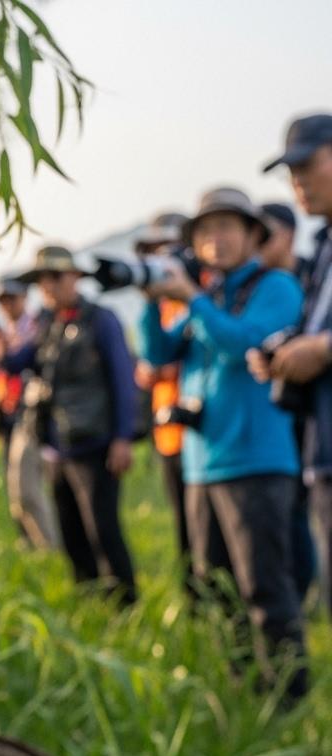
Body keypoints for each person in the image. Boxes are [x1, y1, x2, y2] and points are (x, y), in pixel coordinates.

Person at [143, 187, 307, 702]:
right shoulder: (205, 297)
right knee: (215, 586)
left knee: (265, 587)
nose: (216, 239)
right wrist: (155, 303)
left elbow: (243, 345)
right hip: (201, 465)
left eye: (228, 227)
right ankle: (242, 688)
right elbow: (157, 355)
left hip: (256, 463)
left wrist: (190, 298)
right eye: (205, 230)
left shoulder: (276, 287)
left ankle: (288, 698)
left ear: (253, 235)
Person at [8, 245, 138, 604]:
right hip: (56, 448)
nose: (46, 286)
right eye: (40, 280)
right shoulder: (45, 323)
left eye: (54, 277)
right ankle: (89, 602)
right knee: (71, 532)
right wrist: (13, 337)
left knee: (104, 531)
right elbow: (16, 362)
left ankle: (125, 606)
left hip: (96, 445)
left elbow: (123, 381)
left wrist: (123, 438)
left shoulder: (101, 319)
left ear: (74, 277)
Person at [252, 113, 332, 617]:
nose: (298, 181)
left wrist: (324, 350)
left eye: (307, 164)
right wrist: (285, 353)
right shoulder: (323, 248)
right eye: (291, 171)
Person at [129, 212, 197, 595]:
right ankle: (195, 601)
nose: (161, 261)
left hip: (202, 431)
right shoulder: (163, 307)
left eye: (169, 251)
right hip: (168, 429)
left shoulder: (197, 297)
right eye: (154, 253)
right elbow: (149, 365)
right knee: (184, 525)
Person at [0, 277, 56, 547]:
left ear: (24, 298)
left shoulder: (40, 329)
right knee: (14, 481)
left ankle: (50, 540)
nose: (7, 306)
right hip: (8, 416)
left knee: (37, 480)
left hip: (37, 414)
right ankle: (29, 540)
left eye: (11, 299)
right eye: (2, 301)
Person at [257, 201, 319, 601]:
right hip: (282, 409)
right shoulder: (255, 285)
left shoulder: (314, 275)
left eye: (268, 234)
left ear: (290, 235)